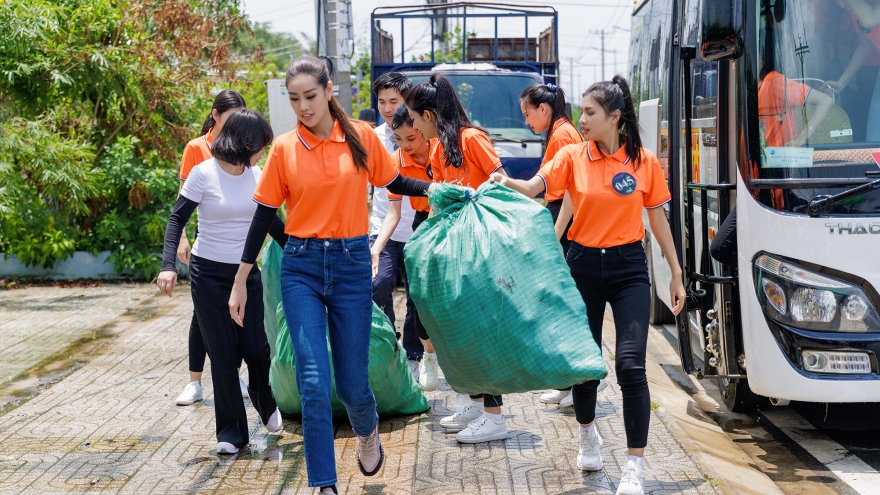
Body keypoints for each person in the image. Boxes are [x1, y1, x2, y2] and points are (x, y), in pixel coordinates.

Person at [227, 56, 434, 495]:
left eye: (310, 96)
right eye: (294, 99)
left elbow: (394, 182)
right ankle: (325, 485)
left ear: (328, 91)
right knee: (313, 384)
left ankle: (368, 432)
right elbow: (263, 215)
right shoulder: (285, 148)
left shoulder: (359, 137)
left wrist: (433, 187)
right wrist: (241, 279)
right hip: (300, 267)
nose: (303, 106)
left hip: (351, 265)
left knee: (353, 385)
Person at [491, 76, 686, 495]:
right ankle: (587, 435)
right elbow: (533, 188)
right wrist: (502, 181)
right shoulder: (572, 156)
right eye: (581, 111)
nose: (582, 119)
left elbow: (657, 219)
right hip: (581, 267)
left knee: (631, 366)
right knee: (583, 366)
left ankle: (634, 466)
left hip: (629, 268)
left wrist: (675, 272)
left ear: (614, 117)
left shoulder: (644, 162)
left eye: (591, 112)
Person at [157, 109, 286, 455]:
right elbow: (176, 220)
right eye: (261, 145)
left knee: (256, 348)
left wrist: (300, 250)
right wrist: (168, 265)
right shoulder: (203, 173)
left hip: (246, 272)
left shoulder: (257, 175)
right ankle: (231, 432)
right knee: (223, 353)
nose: (264, 152)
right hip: (208, 274)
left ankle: (264, 399)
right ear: (245, 143)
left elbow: (272, 222)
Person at [405, 74, 511, 444]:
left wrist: (473, 200)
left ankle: (495, 417)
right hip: (455, 250)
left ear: (429, 115)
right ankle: (475, 403)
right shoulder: (438, 148)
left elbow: (500, 179)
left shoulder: (471, 139)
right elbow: (437, 204)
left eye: (415, 119)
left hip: (481, 248)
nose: (413, 127)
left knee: (484, 334)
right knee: (462, 333)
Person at [174, 90, 250, 407]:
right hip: (207, 240)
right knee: (201, 315)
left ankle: (234, 375)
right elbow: (182, 198)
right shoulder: (197, 148)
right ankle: (195, 382)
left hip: (239, 243)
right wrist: (182, 238)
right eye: (230, 117)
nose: (235, 124)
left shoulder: (245, 145)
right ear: (215, 115)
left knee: (238, 311)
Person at [373, 104, 436, 386]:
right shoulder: (396, 160)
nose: (405, 145)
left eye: (411, 138)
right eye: (398, 139)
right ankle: (410, 353)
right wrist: (376, 247)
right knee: (394, 288)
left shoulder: (441, 151)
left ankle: (425, 353)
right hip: (421, 224)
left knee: (427, 298)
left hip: (447, 219)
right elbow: (393, 212)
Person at [368, 72, 423, 363]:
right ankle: (390, 344)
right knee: (378, 284)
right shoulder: (371, 138)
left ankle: (415, 353)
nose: (387, 108)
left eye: (394, 101)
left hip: (418, 229)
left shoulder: (422, 133)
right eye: (382, 102)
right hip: (383, 226)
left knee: (418, 295)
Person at [824, 0, 880, 140]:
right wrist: (842, 81)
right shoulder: (856, 12)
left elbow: (870, 20)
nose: (841, 5)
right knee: (873, 140)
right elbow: (866, 45)